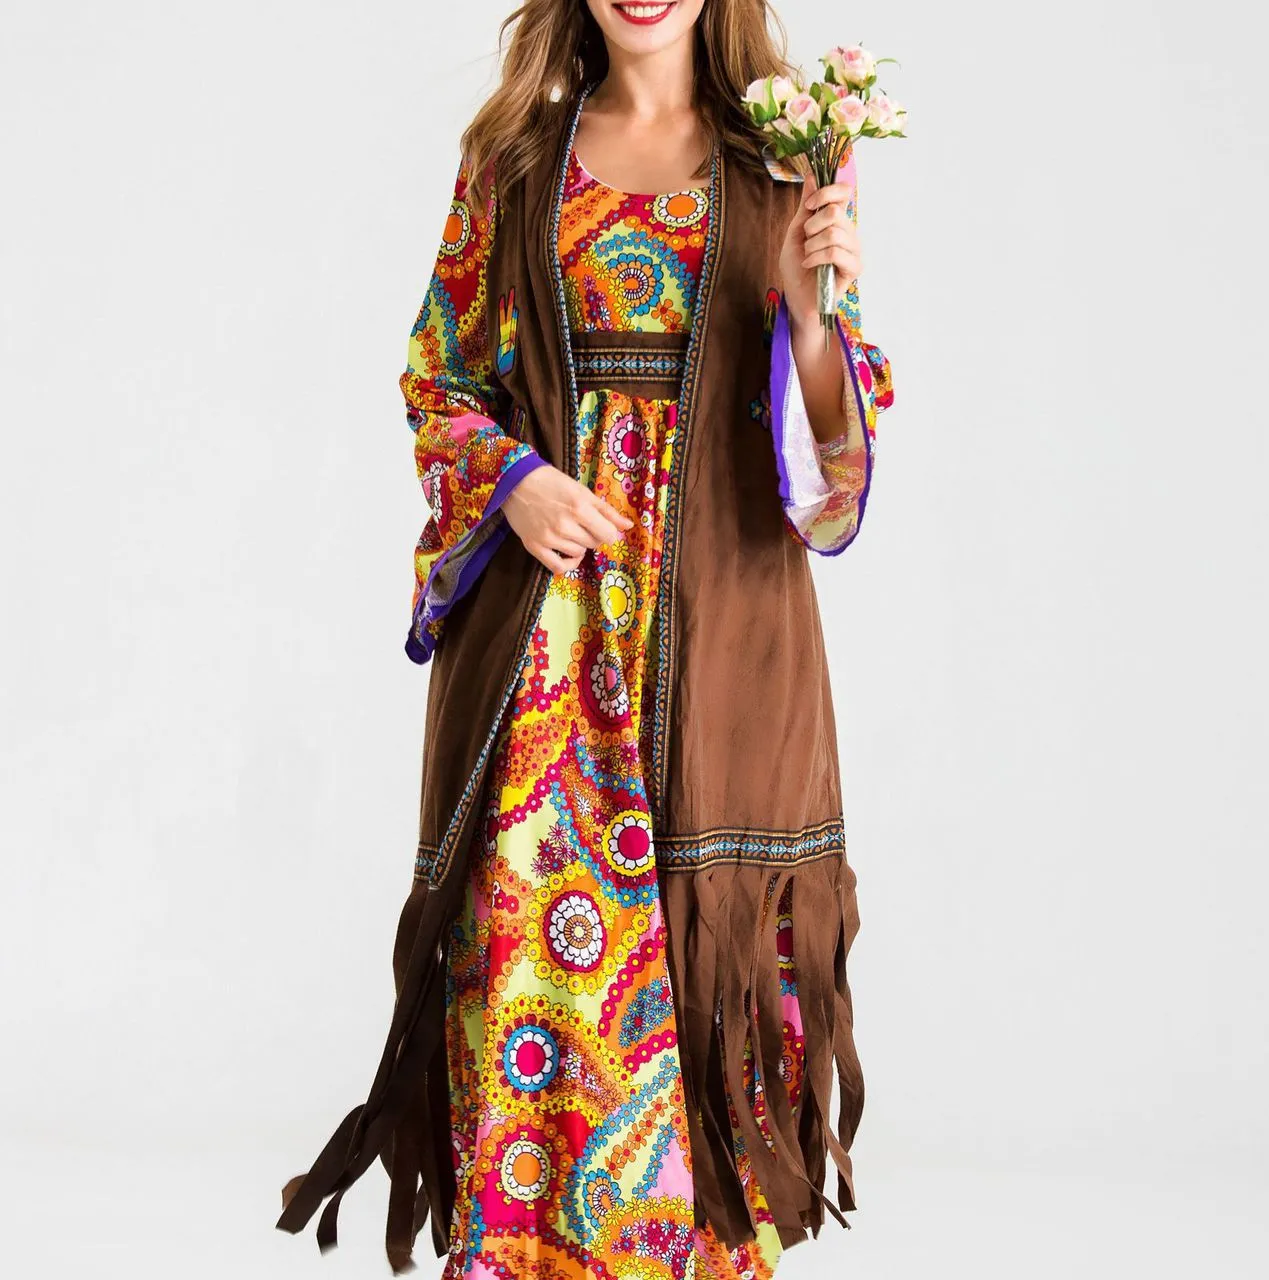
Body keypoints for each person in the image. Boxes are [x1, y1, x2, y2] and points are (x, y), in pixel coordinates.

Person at [276, 2, 894, 1276]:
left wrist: (808, 318)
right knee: (532, 968)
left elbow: (835, 470)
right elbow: (438, 379)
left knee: (706, 970)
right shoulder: (510, 161)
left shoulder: (782, 163)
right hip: (543, 653)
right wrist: (513, 480)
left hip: (722, 649)